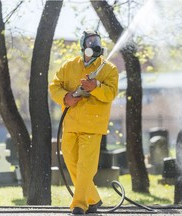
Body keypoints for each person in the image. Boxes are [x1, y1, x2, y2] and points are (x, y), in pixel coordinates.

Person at [49, 30, 118, 215]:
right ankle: (93, 199)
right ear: (83, 45)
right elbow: (54, 85)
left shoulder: (109, 69)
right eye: (90, 41)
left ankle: (79, 205)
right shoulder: (69, 66)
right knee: (71, 161)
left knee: (86, 166)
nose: (94, 44)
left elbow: (111, 94)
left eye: (97, 41)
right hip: (71, 124)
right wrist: (66, 97)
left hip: (92, 126)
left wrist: (96, 87)